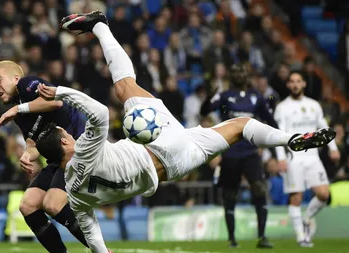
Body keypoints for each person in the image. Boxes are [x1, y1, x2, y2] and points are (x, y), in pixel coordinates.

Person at [33, 11, 336, 253]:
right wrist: (59, 91)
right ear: (64, 140)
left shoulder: (73, 192)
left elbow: (90, 230)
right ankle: (100, 26)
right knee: (125, 86)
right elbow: (98, 112)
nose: (71, 133)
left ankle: (291, 140)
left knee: (241, 126)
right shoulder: (85, 148)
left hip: (177, 166)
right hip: (160, 142)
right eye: (66, 133)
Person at [0, 61, 90, 252]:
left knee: (52, 204)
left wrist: (18, 109)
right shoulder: (19, 113)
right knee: (28, 205)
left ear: (15, 79)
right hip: (59, 161)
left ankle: (102, 250)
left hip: (77, 150)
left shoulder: (28, 85)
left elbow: (56, 101)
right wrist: (28, 155)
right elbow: (33, 143)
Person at [200, 64, 275, 248]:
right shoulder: (225, 96)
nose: (238, 74)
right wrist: (209, 97)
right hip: (231, 152)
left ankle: (262, 237)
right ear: (231, 76)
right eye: (234, 72)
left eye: (241, 71)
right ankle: (232, 239)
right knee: (230, 195)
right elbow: (205, 111)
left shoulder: (256, 96)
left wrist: (277, 144)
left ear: (246, 74)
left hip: (251, 153)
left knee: (259, 190)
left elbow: (270, 119)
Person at [274, 71, 340, 248]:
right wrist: (281, 158)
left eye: (298, 81)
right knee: (296, 197)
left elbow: (323, 127)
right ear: (288, 85)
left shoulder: (314, 105)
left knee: (324, 194)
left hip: (312, 157)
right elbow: (278, 135)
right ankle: (301, 237)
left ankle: (307, 218)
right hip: (293, 157)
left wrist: (333, 148)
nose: (295, 85)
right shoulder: (282, 108)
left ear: (303, 84)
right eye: (292, 82)